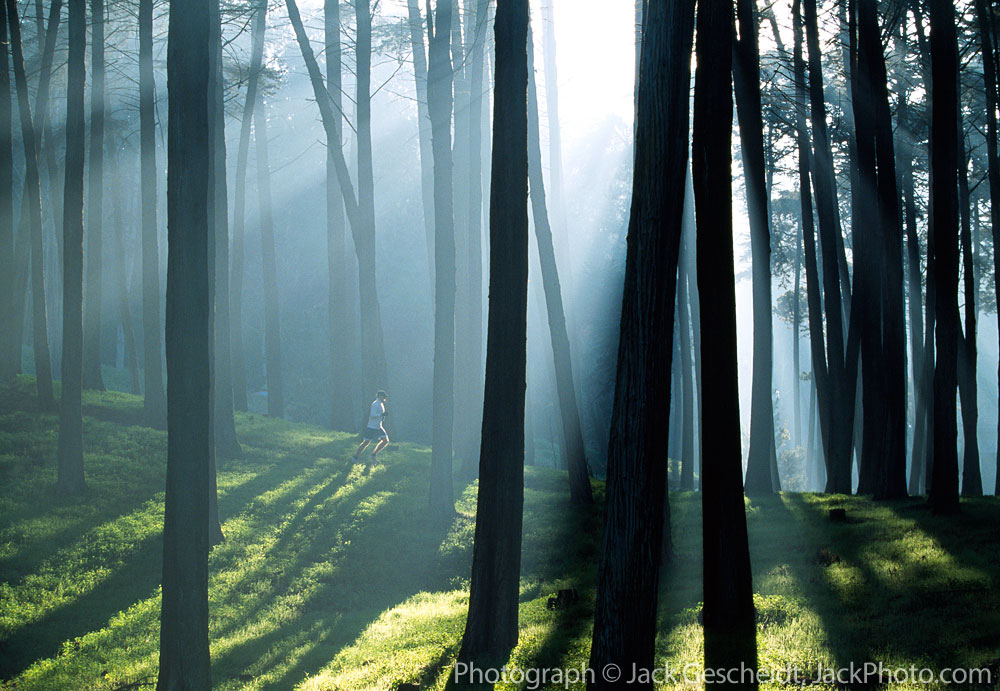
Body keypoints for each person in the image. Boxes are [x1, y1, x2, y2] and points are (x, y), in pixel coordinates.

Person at [352, 390, 389, 464]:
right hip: (372, 427)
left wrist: (382, 416)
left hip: (378, 426)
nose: (384, 398)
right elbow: (372, 415)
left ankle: (373, 455)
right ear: (379, 396)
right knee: (366, 442)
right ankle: (355, 457)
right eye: (383, 396)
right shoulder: (375, 404)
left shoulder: (381, 404)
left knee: (385, 441)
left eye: (384, 397)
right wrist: (382, 415)